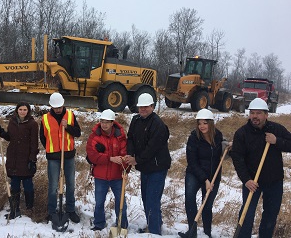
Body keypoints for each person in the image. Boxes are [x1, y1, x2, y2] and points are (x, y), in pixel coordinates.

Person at [231, 98, 291, 238]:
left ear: (266, 115)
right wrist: (246, 180)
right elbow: (237, 158)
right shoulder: (242, 133)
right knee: (247, 214)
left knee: (270, 215)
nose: (255, 116)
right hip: (252, 182)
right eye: (252, 113)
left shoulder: (276, 129)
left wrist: (277, 141)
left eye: (258, 113)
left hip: (274, 181)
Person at [178, 109, 230, 238]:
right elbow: (192, 162)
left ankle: (207, 233)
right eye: (200, 123)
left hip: (213, 175)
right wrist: (205, 180)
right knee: (190, 199)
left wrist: (229, 148)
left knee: (207, 205)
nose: (202, 126)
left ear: (211, 123)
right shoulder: (193, 138)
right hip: (194, 174)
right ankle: (192, 232)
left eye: (205, 123)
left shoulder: (218, 136)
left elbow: (224, 155)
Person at [124, 93, 171, 235]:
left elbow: (152, 148)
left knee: (152, 199)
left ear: (152, 106)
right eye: (141, 107)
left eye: (146, 106)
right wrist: (131, 154)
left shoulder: (157, 124)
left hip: (157, 167)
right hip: (145, 167)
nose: (143, 109)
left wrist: (136, 159)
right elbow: (130, 138)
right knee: (146, 197)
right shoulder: (136, 120)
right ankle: (155, 222)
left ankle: (154, 232)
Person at [40, 92, 81, 223]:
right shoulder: (45, 118)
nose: (57, 110)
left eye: (59, 107)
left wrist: (67, 127)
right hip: (53, 156)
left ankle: (70, 210)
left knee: (70, 184)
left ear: (63, 104)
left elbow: (78, 133)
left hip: (68, 155)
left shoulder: (70, 115)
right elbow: (43, 137)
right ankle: (52, 212)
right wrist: (51, 148)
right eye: (55, 107)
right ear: (51, 106)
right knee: (53, 185)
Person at [86, 109, 128, 231]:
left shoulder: (120, 136)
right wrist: (110, 158)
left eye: (107, 122)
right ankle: (99, 223)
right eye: (102, 121)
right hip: (100, 176)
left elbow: (124, 155)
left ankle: (122, 224)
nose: (104, 124)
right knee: (99, 202)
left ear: (112, 123)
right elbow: (92, 156)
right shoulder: (94, 137)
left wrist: (126, 170)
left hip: (117, 176)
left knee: (121, 203)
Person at [0, 102, 39, 219]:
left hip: (26, 157)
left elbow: (34, 143)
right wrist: (2, 133)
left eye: (25, 110)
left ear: (28, 111)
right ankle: (14, 208)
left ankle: (29, 208)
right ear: (17, 110)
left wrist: (32, 159)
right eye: (20, 109)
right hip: (13, 157)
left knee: (28, 185)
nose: (22, 111)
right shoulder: (12, 122)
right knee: (14, 184)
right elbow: (10, 137)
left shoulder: (32, 124)